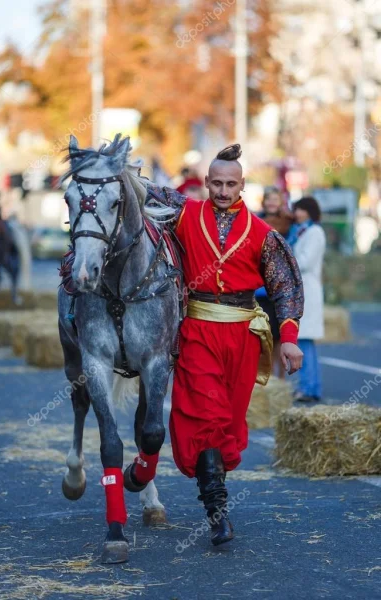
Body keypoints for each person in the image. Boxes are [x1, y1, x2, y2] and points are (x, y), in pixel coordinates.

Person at [144, 144, 304, 547]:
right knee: (208, 418)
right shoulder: (183, 213)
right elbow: (136, 190)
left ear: (243, 185)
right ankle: (218, 514)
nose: (222, 190)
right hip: (197, 330)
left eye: (230, 184)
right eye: (215, 182)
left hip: (242, 337)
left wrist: (289, 341)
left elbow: (284, 287)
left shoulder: (264, 234)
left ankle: (215, 496)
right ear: (205, 182)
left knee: (229, 426)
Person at [287, 196, 326, 403]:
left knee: (304, 342)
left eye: (300, 210)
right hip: (302, 291)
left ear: (310, 211)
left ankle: (309, 388)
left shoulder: (314, 232)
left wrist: (287, 261)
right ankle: (309, 386)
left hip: (307, 292)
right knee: (304, 341)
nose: (297, 214)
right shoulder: (302, 231)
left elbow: (305, 262)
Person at [255, 186, 294, 378]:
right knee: (262, 335)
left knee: (280, 337)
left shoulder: (288, 224)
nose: (271, 203)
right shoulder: (254, 221)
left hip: (279, 287)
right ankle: (264, 378)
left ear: (281, 202)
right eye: (268, 199)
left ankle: (280, 380)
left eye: (275, 199)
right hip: (259, 288)